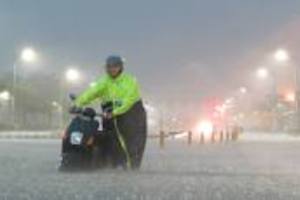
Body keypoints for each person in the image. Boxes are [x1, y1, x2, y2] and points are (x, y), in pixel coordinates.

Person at [74, 55, 147, 169]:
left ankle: (132, 166)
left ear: (121, 67)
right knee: (111, 138)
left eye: (115, 66)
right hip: (110, 111)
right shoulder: (104, 81)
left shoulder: (130, 81)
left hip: (132, 112)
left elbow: (128, 101)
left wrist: (115, 112)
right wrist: (77, 104)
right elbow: (91, 92)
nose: (111, 69)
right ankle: (115, 163)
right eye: (109, 67)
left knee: (132, 140)